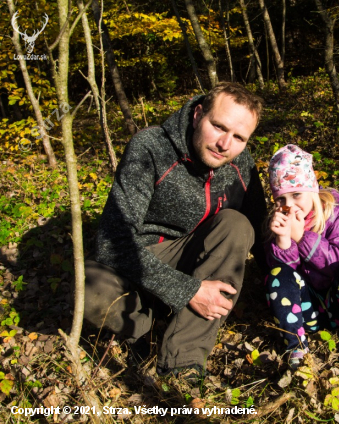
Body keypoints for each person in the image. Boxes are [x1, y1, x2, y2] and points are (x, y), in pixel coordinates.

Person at [84, 82, 267, 379]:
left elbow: (258, 234)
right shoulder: (151, 147)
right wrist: (187, 290)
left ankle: (184, 361)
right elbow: (112, 242)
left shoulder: (242, 164)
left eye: (239, 137)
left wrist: (296, 282)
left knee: (237, 225)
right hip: (140, 260)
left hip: (195, 259)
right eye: (218, 127)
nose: (225, 144)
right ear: (197, 115)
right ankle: (142, 332)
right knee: (87, 289)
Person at [264, 145, 339, 369]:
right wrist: (284, 241)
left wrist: (302, 237)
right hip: (305, 312)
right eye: (281, 199)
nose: (289, 206)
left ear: (312, 189)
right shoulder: (278, 223)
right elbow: (284, 278)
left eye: (296, 195)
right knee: (276, 276)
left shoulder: (337, 212)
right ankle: (296, 346)